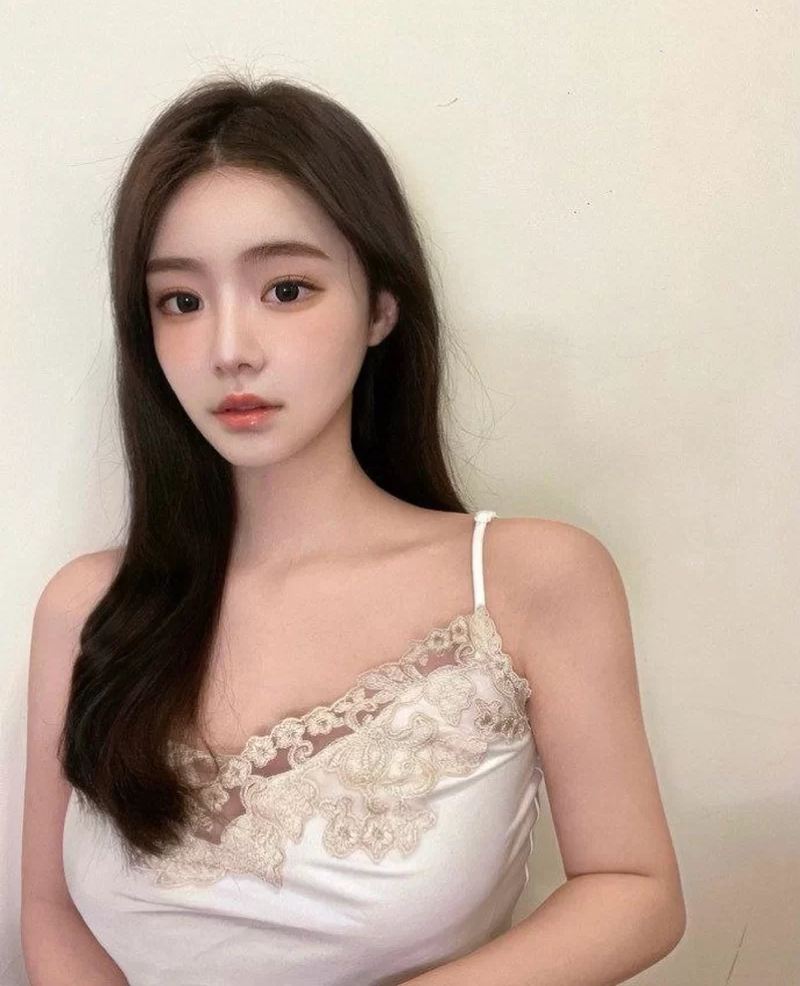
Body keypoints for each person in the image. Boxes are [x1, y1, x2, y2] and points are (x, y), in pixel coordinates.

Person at [20, 76, 685, 986]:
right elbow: (52, 911)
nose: (228, 349)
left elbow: (635, 889)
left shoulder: (524, 578)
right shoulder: (89, 606)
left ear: (380, 307)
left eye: (286, 288)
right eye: (180, 301)